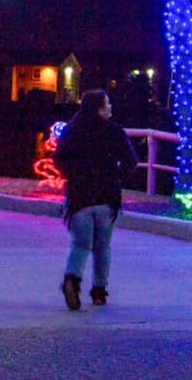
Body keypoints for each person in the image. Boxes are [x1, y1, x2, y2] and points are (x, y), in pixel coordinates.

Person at [53, 89, 138, 310]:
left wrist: (72, 175)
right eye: (108, 104)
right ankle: (99, 290)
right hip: (107, 197)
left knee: (80, 244)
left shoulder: (72, 131)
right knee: (103, 247)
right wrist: (117, 178)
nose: (110, 107)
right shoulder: (114, 131)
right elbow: (131, 161)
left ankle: (72, 278)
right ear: (100, 108)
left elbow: (58, 159)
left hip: (79, 196)